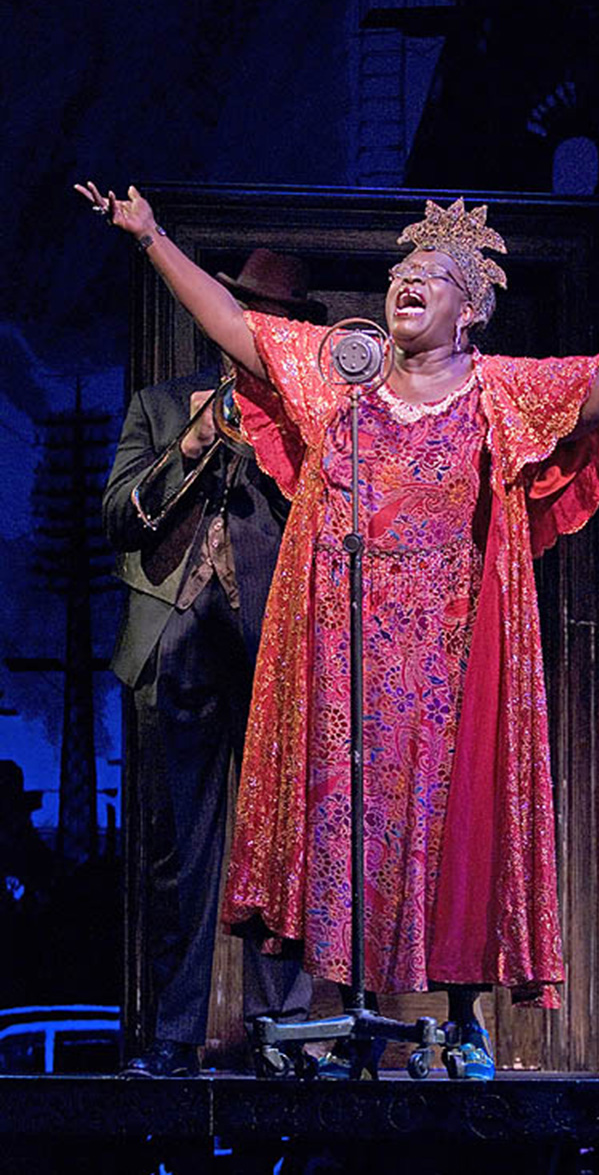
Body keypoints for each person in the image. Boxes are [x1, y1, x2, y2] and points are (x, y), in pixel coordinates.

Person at [77, 180, 599, 1079]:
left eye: (431, 276)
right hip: (344, 654)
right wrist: (150, 238)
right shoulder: (344, 372)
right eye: (400, 272)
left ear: (470, 310)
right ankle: (318, 1024)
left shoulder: (499, 389)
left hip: (450, 649)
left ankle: (463, 1022)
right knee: (336, 821)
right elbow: (234, 327)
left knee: (455, 823)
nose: (406, 283)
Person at [101, 247, 325, 1077]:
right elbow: (120, 520)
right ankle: (173, 1034)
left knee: (281, 852)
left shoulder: (315, 417)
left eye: (278, 320)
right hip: (176, 644)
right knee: (179, 855)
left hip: (276, 652)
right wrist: (195, 439)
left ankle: (280, 1033)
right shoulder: (161, 406)